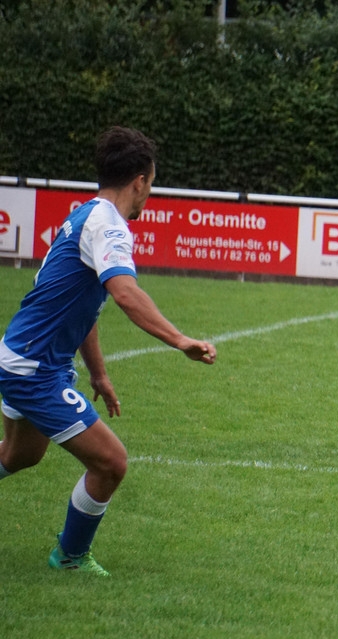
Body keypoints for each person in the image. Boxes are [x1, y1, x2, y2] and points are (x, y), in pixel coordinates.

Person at [0, 126, 217, 576]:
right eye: (151, 184)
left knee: (19, 455)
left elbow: (82, 306)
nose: (148, 195)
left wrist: (98, 373)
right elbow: (124, 293)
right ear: (139, 181)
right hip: (33, 369)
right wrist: (180, 339)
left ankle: (70, 554)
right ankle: (70, 556)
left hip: (24, 358)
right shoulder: (108, 226)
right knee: (111, 463)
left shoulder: (85, 215)